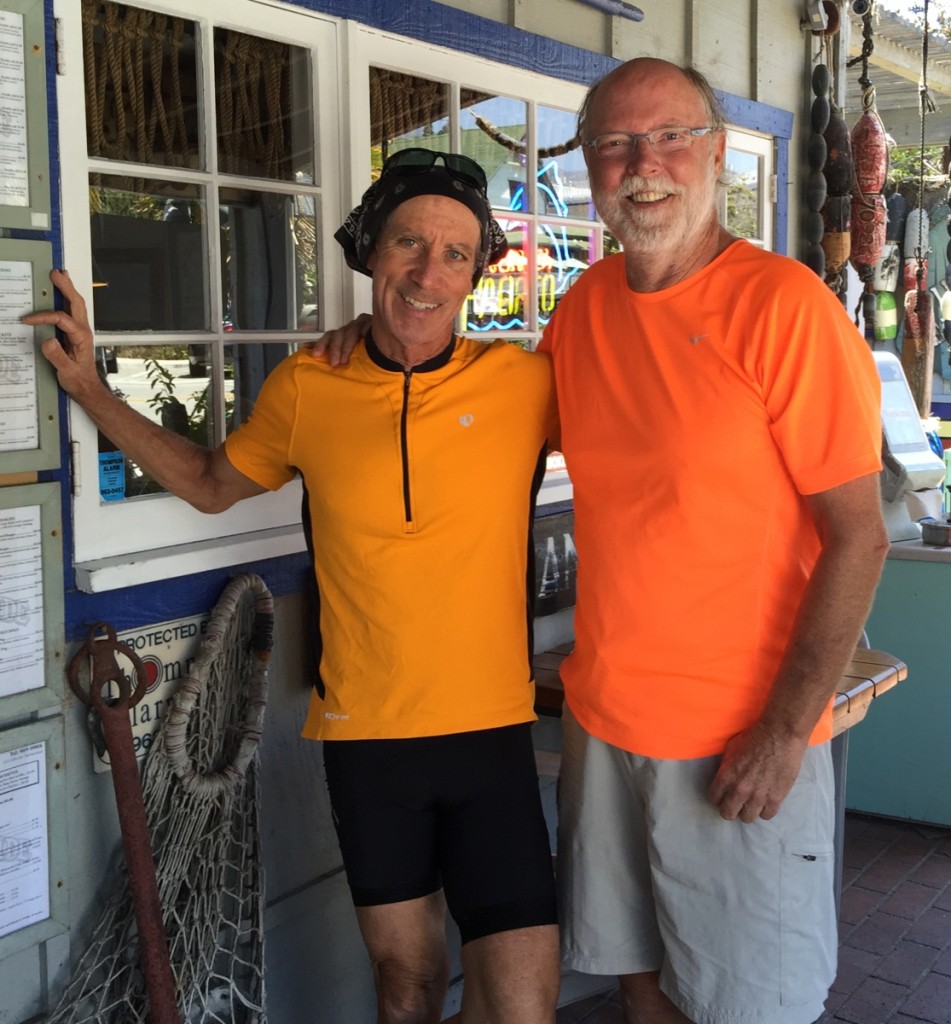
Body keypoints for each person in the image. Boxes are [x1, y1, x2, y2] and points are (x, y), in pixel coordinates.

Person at [24, 149, 560, 1024]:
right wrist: (88, 383)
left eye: (455, 254)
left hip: (490, 735)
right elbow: (204, 482)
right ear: (368, 254)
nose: (428, 273)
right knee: (407, 988)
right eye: (407, 245)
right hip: (368, 738)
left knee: (522, 1007)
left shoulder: (528, 383)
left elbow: (645, 424)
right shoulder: (311, 384)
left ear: (476, 273)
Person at [541, 58, 888, 1024]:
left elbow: (856, 539)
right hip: (605, 725)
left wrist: (783, 734)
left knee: (750, 1008)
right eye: (613, 142)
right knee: (638, 983)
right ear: (591, 163)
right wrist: (372, 349)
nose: (641, 163)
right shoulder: (580, 312)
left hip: (739, 742)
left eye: (669, 137)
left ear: (717, 152)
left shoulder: (784, 309)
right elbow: (482, 424)